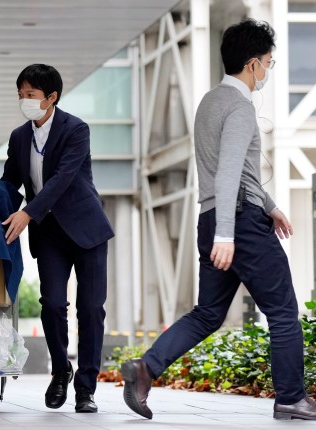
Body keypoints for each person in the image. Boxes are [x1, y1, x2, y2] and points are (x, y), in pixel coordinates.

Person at [121, 19, 316, 421]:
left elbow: (234, 171)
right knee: (282, 311)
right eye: (268, 62)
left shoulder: (209, 102)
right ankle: (292, 398)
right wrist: (229, 233)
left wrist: (270, 204)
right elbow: (228, 172)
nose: (268, 70)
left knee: (208, 313)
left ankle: (145, 367)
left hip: (212, 217)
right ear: (252, 65)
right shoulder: (240, 108)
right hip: (236, 224)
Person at [0, 64, 114, 413]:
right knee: (52, 305)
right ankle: (61, 369)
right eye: (20, 94)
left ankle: (86, 387)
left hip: (86, 230)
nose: (24, 100)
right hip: (49, 234)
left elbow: (63, 178)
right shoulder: (20, 137)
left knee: (91, 310)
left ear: (51, 98)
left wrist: (27, 212)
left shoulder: (76, 129)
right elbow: (9, 182)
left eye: (30, 95)